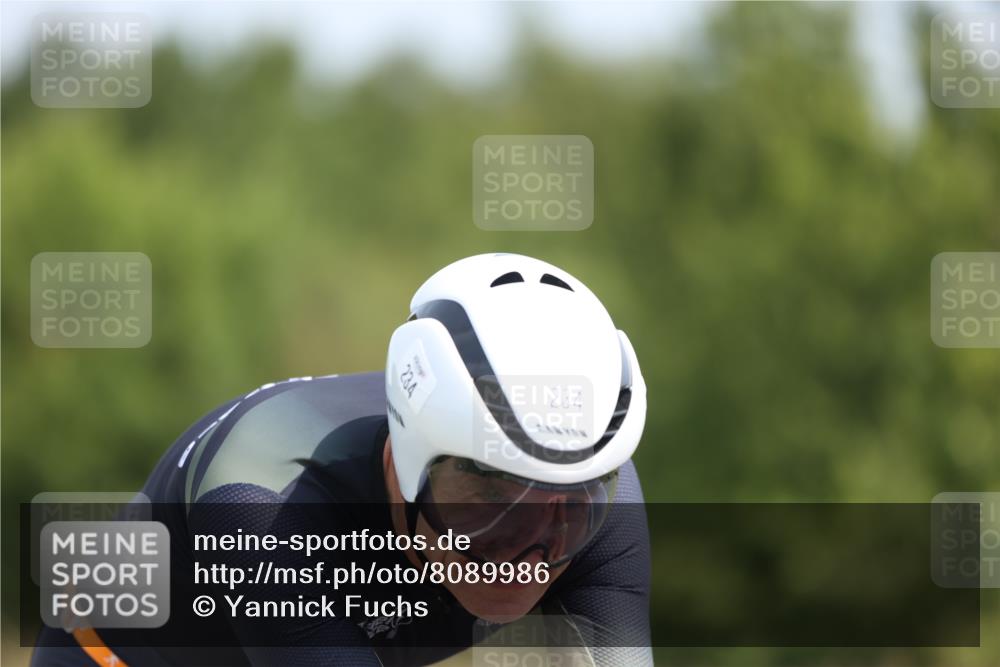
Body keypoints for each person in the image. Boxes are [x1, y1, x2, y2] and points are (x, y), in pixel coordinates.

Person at [31, 253, 652, 667]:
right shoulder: (260, 504)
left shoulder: (600, 491)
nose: (527, 559)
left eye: (566, 517)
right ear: (411, 456)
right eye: (493, 506)